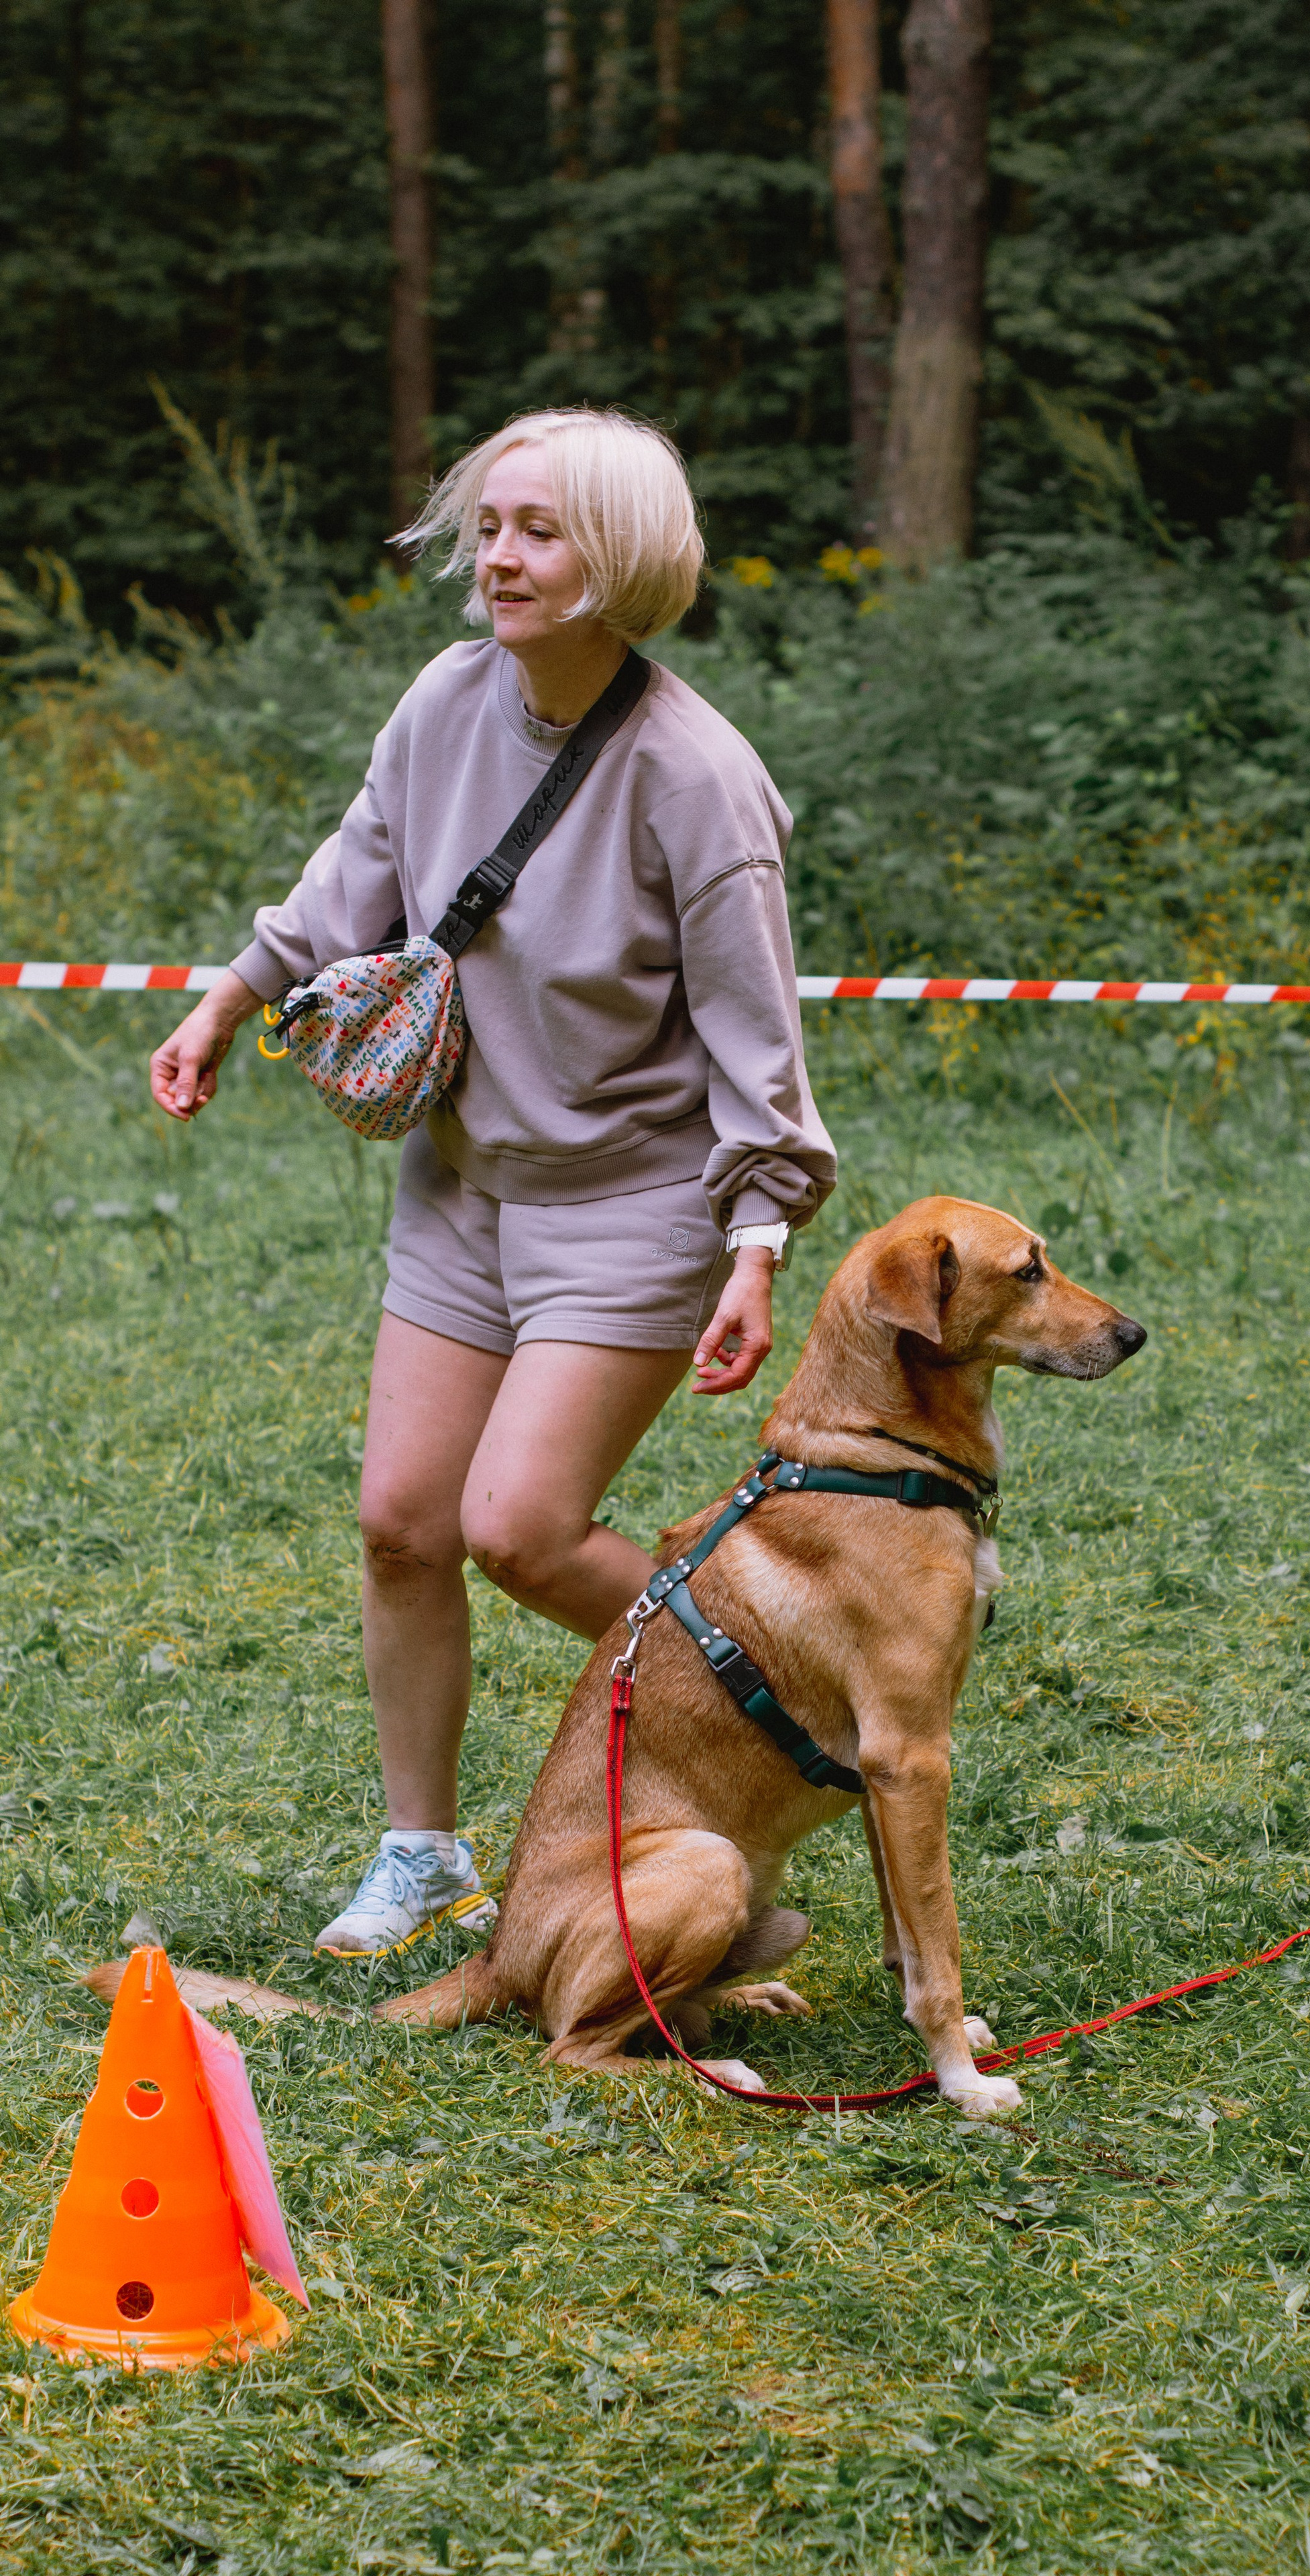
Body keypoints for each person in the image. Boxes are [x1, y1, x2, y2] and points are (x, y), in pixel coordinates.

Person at [149, 409, 836, 1957]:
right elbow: (355, 871)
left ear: (623, 560)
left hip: (635, 1204)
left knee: (520, 1527)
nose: (498, 557)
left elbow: (756, 1046)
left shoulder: (697, 779)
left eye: (539, 531)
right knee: (403, 1519)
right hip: (465, 1188)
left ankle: (782, 1698)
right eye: (491, 524)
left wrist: (756, 1236)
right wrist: (225, 1003)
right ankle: (424, 1853)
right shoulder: (451, 699)